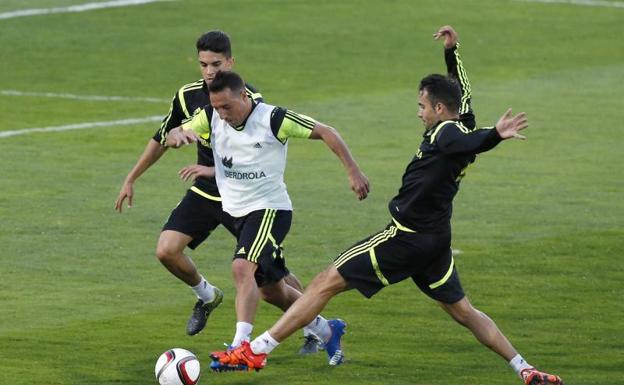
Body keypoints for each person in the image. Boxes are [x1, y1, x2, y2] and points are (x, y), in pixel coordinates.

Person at [207, 26, 564, 385]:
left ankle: (256, 351)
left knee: (324, 282)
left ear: (440, 110)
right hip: (436, 240)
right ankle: (524, 368)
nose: (419, 113)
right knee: (464, 312)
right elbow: (462, 94)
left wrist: (494, 137)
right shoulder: (461, 120)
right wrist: (452, 53)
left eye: (422, 106)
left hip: (405, 237)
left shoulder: (447, 133)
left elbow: (468, 139)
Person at [114, 31, 322, 353]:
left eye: (216, 64)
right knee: (166, 250)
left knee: (272, 279)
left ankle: (314, 326)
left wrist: (212, 167)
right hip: (208, 193)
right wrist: (132, 176)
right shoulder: (187, 97)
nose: (210, 71)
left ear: (230, 62)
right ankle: (207, 296)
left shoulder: (247, 97)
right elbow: (162, 137)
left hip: (246, 195)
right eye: (203, 65)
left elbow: (255, 152)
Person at [165, 70, 370, 366]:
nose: (222, 115)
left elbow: (327, 131)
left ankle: (239, 348)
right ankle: (327, 330)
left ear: (244, 96)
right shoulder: (210, 116)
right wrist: (176, 136)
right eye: (217, 107)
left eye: (227, 107)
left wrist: (354, 171)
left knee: (241, 268)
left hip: (270, 210)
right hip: (235, 212)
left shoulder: (273, 119)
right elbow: (174, 133)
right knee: (273, 292)